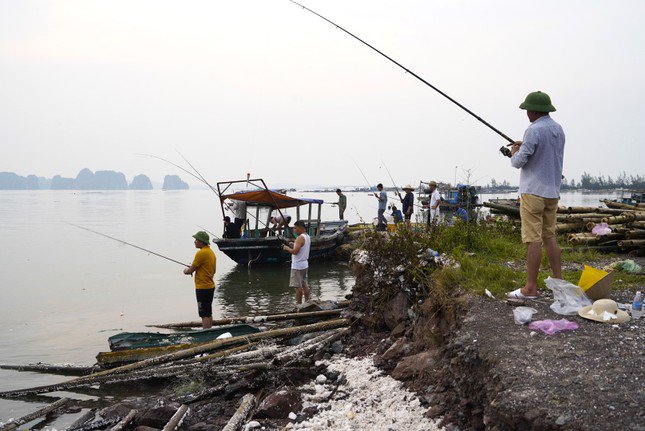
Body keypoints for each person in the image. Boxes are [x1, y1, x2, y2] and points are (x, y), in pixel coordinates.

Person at [507, 91, 565, 300]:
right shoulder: (558, 130)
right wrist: (525, 147)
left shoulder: (533, 130)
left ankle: (530, 288)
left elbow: (518, 162)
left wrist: (515, 151)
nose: (526, 114)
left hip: (533, 192)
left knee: (533, 239)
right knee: (549, 236)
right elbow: (545, 155)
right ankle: (558, 284)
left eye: (527, 110)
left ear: (533, 111)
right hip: (552, 192)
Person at [183, 231, 216, 329]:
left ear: (202, 242)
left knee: (204, 313)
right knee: (208, 311)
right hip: (210, 286)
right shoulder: (211, 252)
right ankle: (209, 330)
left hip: (202, 287)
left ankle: (206, 333)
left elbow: (190, 270)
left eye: (196, 240)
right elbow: (212, 269)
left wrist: (186, 270)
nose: (195, 242)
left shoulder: (201, 253)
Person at [282, 220, 311, 304]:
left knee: (297, 287)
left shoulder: (299, 238)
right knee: (304, 284)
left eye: (295, 228)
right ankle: (307, 302)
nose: (294, 230)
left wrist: (286, 248)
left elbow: (295, 252)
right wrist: (293, 244)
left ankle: (298, 305)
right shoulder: (307, 236)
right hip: (305, 264)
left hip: (297, 266)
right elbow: (301, 247)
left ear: (300, 228)